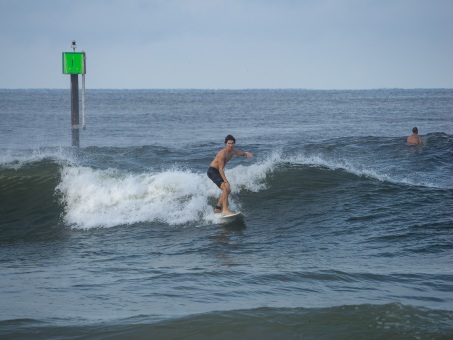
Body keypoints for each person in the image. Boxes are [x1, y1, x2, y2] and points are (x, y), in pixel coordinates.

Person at [207, 135, 253, 215]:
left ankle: (217, 209)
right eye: (229, 143)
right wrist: (226, 181)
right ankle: (225, 210)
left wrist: (246, 153)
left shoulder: (233, 151)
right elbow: (221, 169)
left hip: (217, 171)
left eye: (232, 143)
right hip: (212, 171)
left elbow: (240, 153)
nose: (231, 145)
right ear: (225, 143)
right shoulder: (222, 153)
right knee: (226, 187)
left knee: (228, 190)